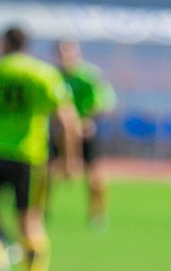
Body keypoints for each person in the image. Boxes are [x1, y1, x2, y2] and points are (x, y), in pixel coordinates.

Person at [0, 26, 81, 271]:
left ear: (4, 43)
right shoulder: (42, 74)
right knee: (30, 223)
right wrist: (69, 159)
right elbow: (67, 119)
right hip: (28, 156)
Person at [53, 39, 116, 229]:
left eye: (69, 52)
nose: (65, 57)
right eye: (62, 52)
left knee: (95, 175)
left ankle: (97, 215)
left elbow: (104, 102)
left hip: (87, 131)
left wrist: (87, 121)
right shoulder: (53, 76)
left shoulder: (89, 75)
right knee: (44, 173)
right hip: (59, 132)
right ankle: (40, 212)